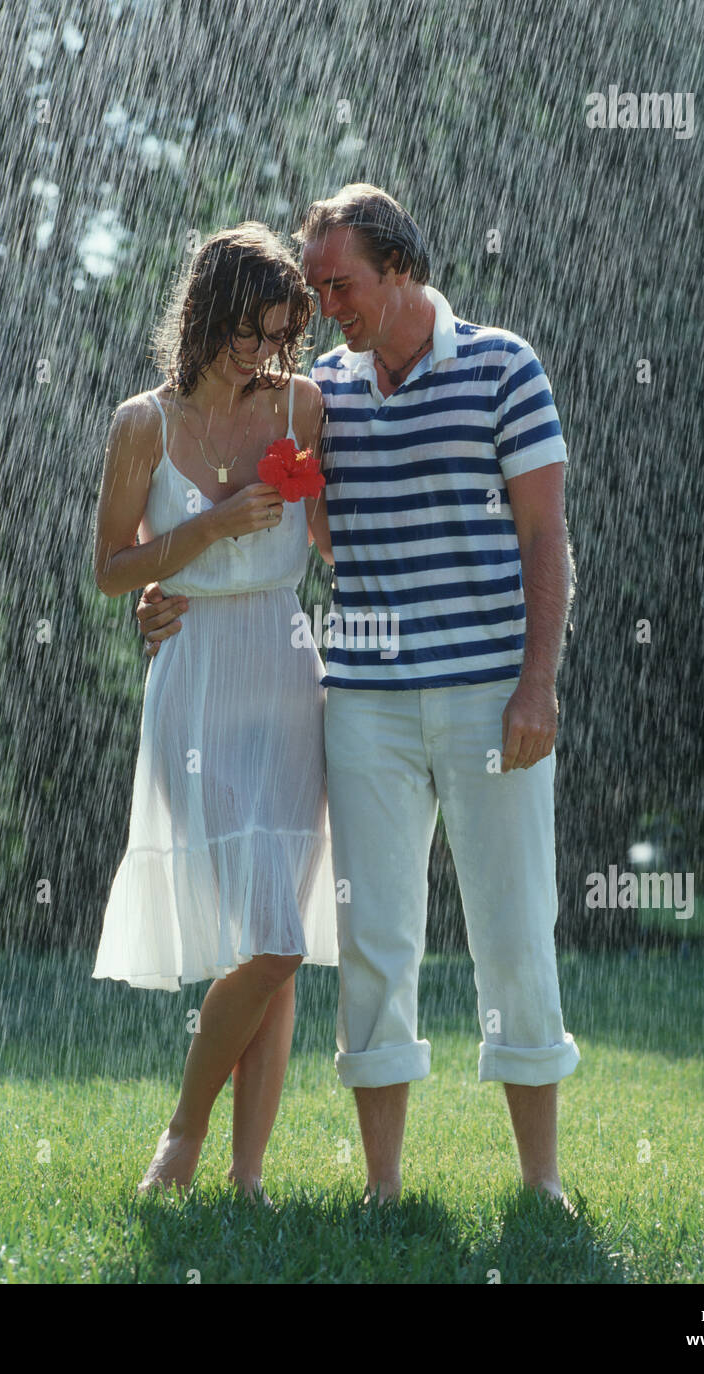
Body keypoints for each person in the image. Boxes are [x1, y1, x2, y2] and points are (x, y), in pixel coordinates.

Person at [138, 186, 581, 1212]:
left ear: (400, 269)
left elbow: (544, 538)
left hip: (489, 694)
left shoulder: (505, 366)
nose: (324, 300)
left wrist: (538, 683)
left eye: (340, 281)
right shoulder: (319, 393)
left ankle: (541, 1180)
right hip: (364, 700)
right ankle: (384, 1189)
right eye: (318, 282)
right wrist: (169, 588)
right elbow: (259, 510)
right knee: (376, 940)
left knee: (515, 931)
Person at [91, 222, 339, 1205]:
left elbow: (335, 540)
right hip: (193, 684)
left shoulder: (304, 406)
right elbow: (111, 570)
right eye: (250, 330)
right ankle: (183, 1140)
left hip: (286, 680)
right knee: (274, 938)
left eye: (280, 334)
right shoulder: (141, 424)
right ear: (205, 312)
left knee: (272, 946)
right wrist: (204, 529)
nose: (264, 353)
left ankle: (244, 1178)